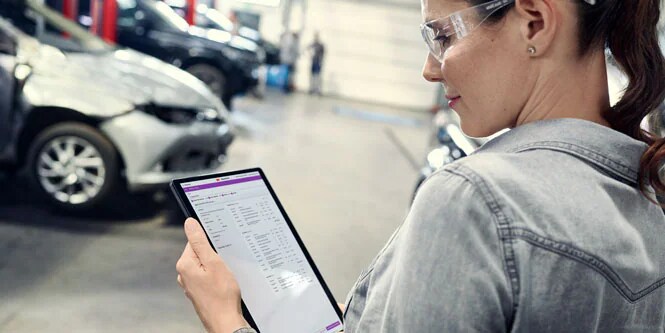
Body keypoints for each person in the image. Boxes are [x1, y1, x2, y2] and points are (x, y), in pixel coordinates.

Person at [176, 0, 665, 331]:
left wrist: (227, 319)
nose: (430, 69)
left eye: (443, 35)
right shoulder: (648, 194)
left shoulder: (477, 201)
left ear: (534, 22)